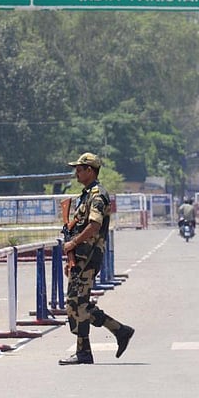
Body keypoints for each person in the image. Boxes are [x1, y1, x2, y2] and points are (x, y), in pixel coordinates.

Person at [59, 152, 135, 365]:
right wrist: (70, 257)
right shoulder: (85, 195)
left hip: (89, 256)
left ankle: (85, 352)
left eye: (80, 169)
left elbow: (94, 225)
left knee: (77, 305)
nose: (76, 172)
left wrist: (73, 244)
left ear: (90, 170)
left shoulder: (97, 195)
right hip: (80, 257)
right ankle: (120, 331)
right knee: (76, 304)